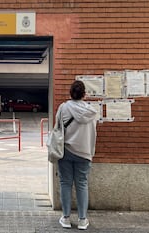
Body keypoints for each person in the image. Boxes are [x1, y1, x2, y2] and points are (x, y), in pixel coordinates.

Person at [57, 80, 97, 230]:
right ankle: (82, 220)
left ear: (70, 93)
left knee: (65, 183)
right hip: (84, 151)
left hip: (66, 150)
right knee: (82, 184)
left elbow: (58, 127)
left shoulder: (63, 107)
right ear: (84, 94)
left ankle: (66, 218)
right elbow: (93, 132)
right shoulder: (91, 111)